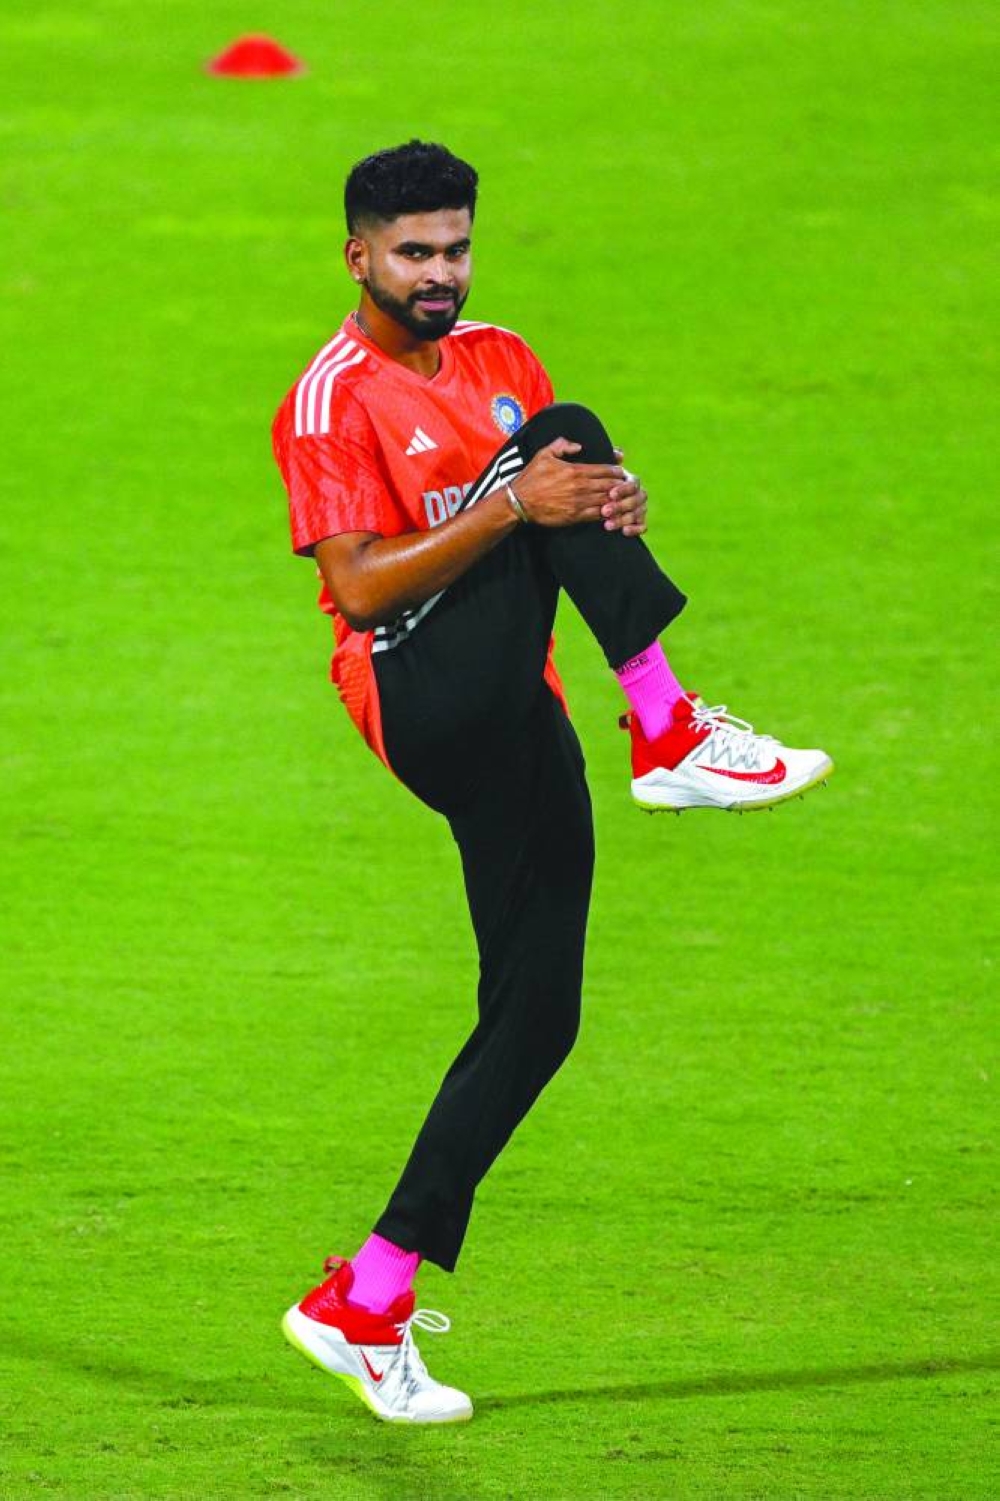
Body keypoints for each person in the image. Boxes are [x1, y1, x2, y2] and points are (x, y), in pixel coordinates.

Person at [272, 140, 832, 1425]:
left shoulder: (499, 358)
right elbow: (356, 587)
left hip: (518, 710)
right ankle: (669, 725)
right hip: (418, 691)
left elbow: (550, 507)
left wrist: (600, 505)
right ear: (357, 255)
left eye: (456, 247)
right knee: (558, 448)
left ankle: (365, 1294)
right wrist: (526, 507)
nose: (441, 274)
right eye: (414, 252)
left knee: (537, 1013)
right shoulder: (328, 399)